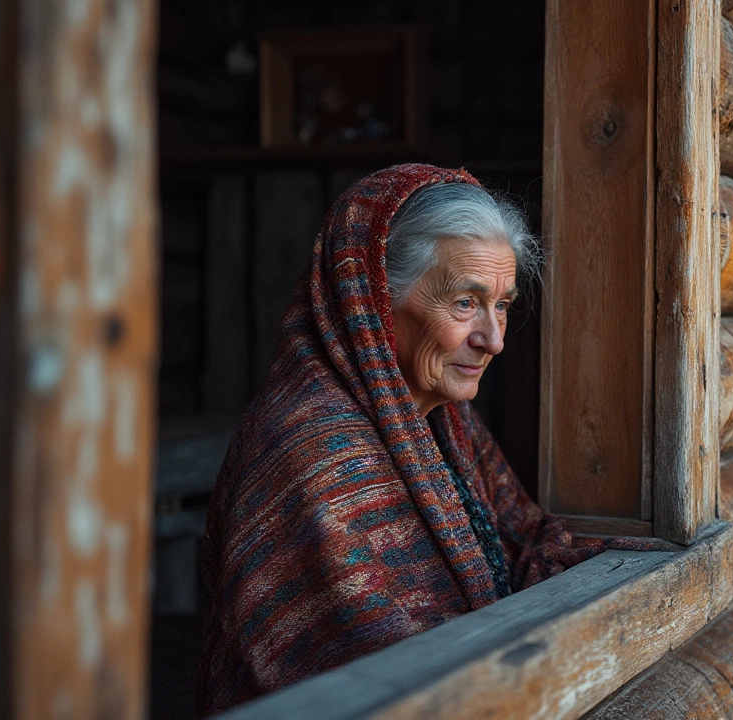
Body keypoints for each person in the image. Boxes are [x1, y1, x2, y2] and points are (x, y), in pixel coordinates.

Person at [196, 164, 653, 714]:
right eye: (465, 303)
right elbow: (380, 670)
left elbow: (526, 541)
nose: (494, 340)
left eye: (502, 305)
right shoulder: (312, 451)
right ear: (373, 301)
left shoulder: (441, 422)